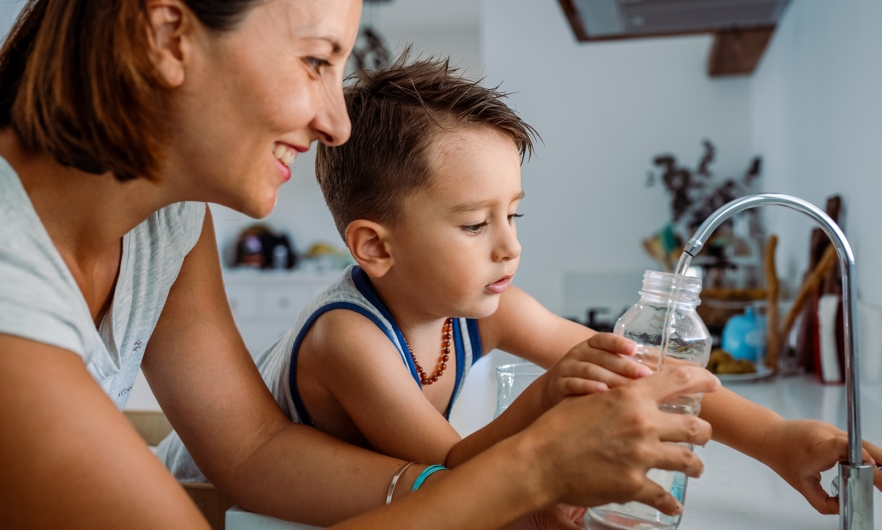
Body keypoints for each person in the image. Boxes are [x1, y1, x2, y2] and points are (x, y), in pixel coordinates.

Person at [0, 1, 721, 529]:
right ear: (168, 37)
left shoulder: (169, 220)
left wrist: (479, 489)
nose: (336, 123)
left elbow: (254, 451)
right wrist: (524, 471)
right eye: (316, 61)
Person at [161, 52, 882, 524]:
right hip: (200, 494)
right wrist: (545, 401)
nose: (511, 244)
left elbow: (650, 371)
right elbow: (452, 474)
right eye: (476, 224)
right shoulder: (351, 340)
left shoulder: (490, 307)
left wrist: (779, 440)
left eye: (514, 213)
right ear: (375, 247)